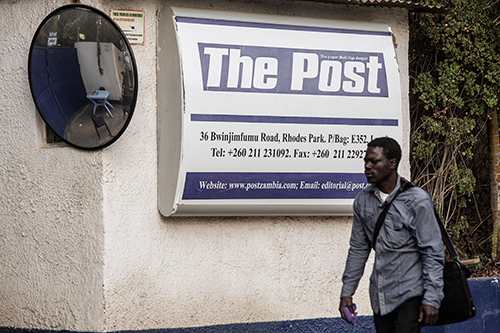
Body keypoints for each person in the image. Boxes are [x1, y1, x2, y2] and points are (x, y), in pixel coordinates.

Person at [339, 137, 444, 332]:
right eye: (365, 161)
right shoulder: (363, 201)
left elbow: (433, 252)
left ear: (392, 164)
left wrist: (432, 298)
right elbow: (358, 250)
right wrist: (347, 293)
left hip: (410, 293)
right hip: (380, 296)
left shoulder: (416, 201)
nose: (367, 166)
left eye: (374, 161)